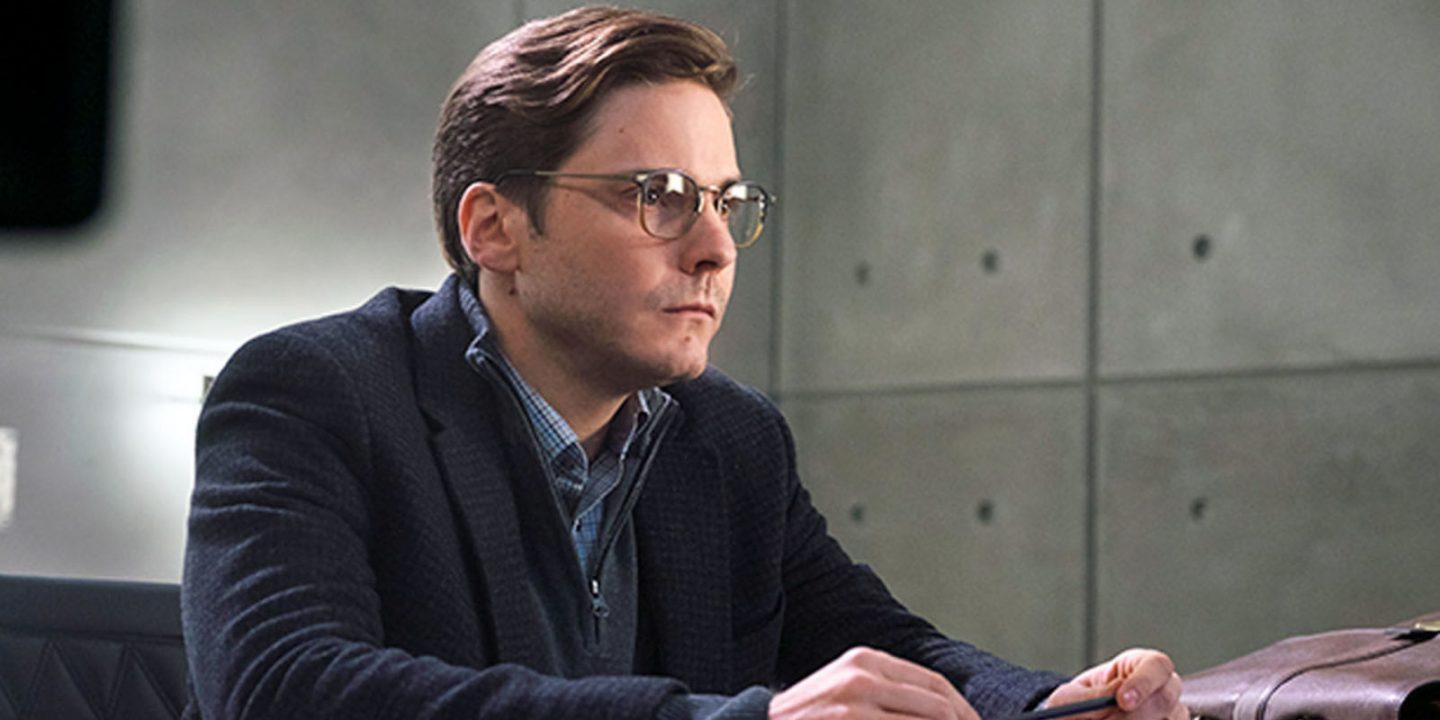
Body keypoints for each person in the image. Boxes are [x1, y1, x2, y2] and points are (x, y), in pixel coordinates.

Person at [181, 6, 1187, 720]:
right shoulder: (315, 391)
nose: (713, 249)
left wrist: (1048, 703)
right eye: (657, 195)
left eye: (727, 203)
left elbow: (880, 646)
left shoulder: (731, 438)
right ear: (495, 227)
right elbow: (282, 688)